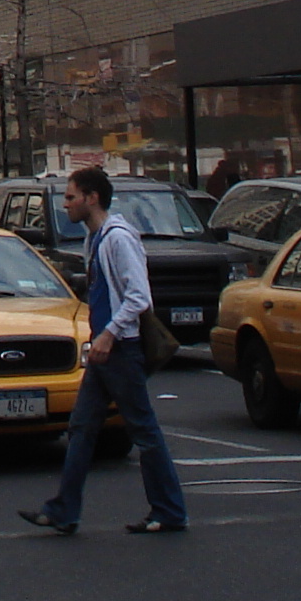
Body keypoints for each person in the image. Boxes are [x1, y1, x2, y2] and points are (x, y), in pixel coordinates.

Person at [21, 166, 188, 537]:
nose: (66, 205)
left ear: (91, 198)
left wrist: (110, 334)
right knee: (82, 427)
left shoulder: (117, 239)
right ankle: (64, 509)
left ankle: (170, 509)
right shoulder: (94, 239)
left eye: (70, 197)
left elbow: (139, 297)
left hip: (120, 349)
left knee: (143, 431)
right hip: (105, 351)